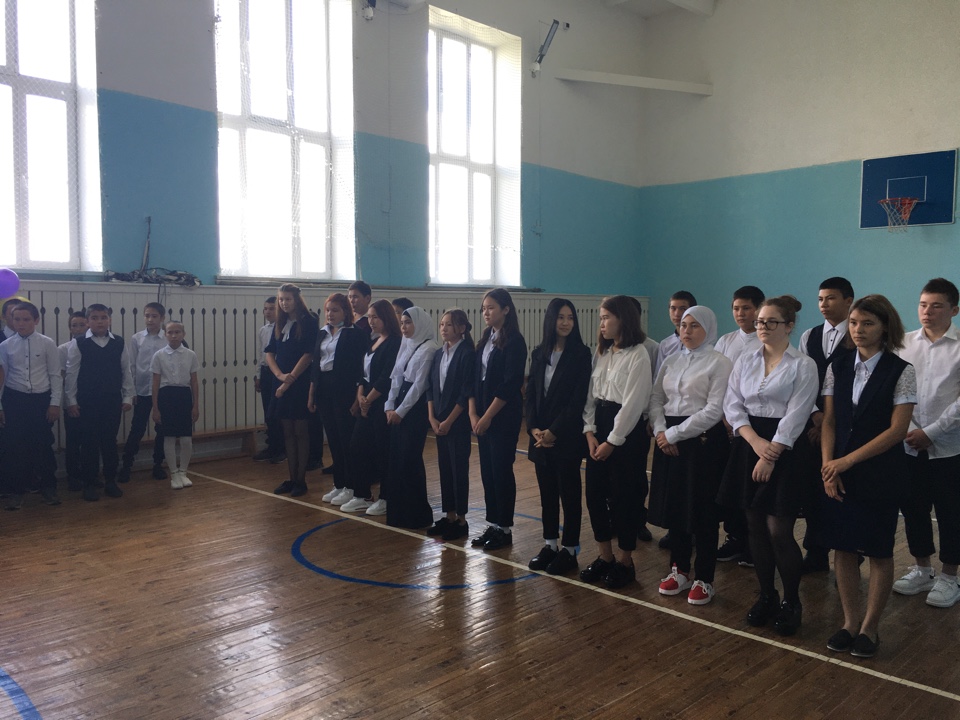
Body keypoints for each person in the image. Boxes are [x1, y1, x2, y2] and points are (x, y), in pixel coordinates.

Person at [717, 295, 818, 635]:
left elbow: (797, 414)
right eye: (760, 321)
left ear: (789, 326)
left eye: (770, 322)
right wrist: (755, 443)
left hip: (785, 449)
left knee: (779, 530)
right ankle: (767, 596)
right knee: (755, 526)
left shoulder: (803, 365)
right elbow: (733, 405)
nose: (762, 327)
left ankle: (792, 601)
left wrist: (771, 453)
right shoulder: (746, 359)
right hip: (750, 444)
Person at [821, 294, 915, 659]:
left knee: (878, 549)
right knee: (843, 548)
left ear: (885, 327)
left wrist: (847, 462)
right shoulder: (838, 365)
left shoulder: (901, 369)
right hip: (839, 471)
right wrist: (829, 466)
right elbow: (830, 420)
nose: (858, 330)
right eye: (854, 323)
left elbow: (897, 430)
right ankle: (849, 622)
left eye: (868, 324)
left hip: (880, 472)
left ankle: (869, 627)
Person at [649, 306, 732, 605]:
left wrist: (673, 435)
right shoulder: (671, 360)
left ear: (708, 328)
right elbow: (656, 398)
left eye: (695, 325)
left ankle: (704, 578)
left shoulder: (720, 363)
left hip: (703, 443)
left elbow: (714, 409)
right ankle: (679, 569)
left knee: (703, 512)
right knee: (676, 507)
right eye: (684, 325)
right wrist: (661, 431)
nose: (687, 331)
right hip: (668, 440)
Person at [893, 278, 960, 609]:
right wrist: (909, 430)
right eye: (923, 305)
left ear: (954, 310)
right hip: (908, 443)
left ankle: (950, 576)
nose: (927, 312)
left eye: (936, 306)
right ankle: (922, 569)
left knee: (951, 512)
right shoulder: (903, 344)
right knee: (913, 509)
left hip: (949, 447)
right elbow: (895, 389)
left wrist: (931, 432)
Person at [580, 295, 653, 589]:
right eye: (601, 318)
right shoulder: (603, 353)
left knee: (624, 498)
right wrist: (589, 432)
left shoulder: (639, 355)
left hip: (625, 434)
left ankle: (625, 561)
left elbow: (633, 405)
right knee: (595, 495)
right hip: (600, 427)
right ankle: (605, 556)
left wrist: (611, 441)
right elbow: (591, 397)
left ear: (623, 319)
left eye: (606, 317)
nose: (602, 323)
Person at [524, 298, 592, 575]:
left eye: (570, 317)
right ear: (551, 320)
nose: (565, 322)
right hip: (541, 437)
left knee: (569, 494)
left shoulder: (581, 354)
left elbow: (577, 400)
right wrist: (534, 428)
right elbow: (531, 394)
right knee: (547, 493)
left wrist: (554, 431)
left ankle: (570, 549)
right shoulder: (539, 353)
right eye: (561, 317)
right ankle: (550, 544)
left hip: (566, 437)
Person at [797, 277, 856, 572]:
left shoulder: (859, 334)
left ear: (848, 301)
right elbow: (801, 380)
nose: (824, 304)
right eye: (820, 299)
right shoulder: (809, 335)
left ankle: (851, 550)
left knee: (845, 488)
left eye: (831, 298)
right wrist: (815, 415)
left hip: (847, 424)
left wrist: (832, 420)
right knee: (813, 488)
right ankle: (816, 550)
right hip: (812, 422)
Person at [469, 289, 527, 551]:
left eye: (491, 307)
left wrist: (488, 416)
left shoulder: (514, 341)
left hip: (502, 417)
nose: (486, 312)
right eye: (483, 308)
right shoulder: (485, 339)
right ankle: (493, 523)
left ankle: (504, 528)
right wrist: (474, 414)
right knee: (488, 472)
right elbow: (474, 379)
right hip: (483, 415)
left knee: (501, 470)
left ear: (505, 309)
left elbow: (510, 384)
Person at [713, 285, 765, 566]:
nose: (741, 313)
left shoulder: (765, 341)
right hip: (725, 421)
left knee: (751, 487)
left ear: (759, 309)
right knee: (730, 485)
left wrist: (739, 421)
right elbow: (717, 381)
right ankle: (734, 537)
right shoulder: (726, 341)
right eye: (736, 308)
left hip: (753, 424)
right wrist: (724, 416)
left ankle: (755, 543)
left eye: (746, 308)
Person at [64, 303, 135, 501]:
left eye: (103, 317)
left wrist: (128, 396)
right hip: (87, 401)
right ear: (88, 322)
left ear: (109, 320)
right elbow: (71, 373)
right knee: (89, 443)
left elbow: (126, 370)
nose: (99, 321)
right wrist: (71, 400)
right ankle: (89, 483)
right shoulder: (79, 343)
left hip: (112, 400)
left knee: (109, 442)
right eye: (94, 318)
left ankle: (110, 481)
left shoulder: (118, 342)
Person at [0, 302, 62, 509]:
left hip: (40, 401)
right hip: (15, 400)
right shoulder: (5, 346)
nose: (21, 323)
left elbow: (55, 375)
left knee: (43, 444)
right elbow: (2, 378)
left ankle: (48, 487)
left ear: (36, 320)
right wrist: (0, 406)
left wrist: (54, 403)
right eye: (17, 319)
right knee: (15, 447)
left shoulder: (47, 343)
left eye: (26, 319)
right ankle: (16, 491)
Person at [343, 299, 401, 514]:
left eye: (375, 317)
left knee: (382, 451)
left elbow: (387, 376)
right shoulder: (373, 342)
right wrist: (360, 396)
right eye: (369, 317)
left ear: (386, 317)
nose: (371, 321)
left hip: (381, 403)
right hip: (366, 401)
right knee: (357, 447)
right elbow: (363, 374)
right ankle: (363, 494)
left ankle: (386, 497)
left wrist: (368, 399)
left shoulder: (394, 343)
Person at [309, 292, 368, 506]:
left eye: (335, 310)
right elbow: (316, 365)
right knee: (333, 438)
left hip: (344, 389)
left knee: (346, 439)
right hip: (324, 388)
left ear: (345, 312)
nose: (330, 314)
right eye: (327, 310)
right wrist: (312, 393)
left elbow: (361, 367)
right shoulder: (322, 333)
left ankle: (352, 485)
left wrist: (356, 396)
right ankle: (340, 483)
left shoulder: (355, 334)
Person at [384, 306, 437, 529]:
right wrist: (389, 405)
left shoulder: (429, 348)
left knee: (410, 458)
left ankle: (418, 514)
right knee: (397, 460)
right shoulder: (407, 343)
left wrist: (400, 411)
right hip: (399, 404)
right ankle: (399, 513)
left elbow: (420, 385)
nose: (404, 327)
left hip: (414, 408)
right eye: (402, 323)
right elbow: (396, 376)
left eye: (408, 323)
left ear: (419, 323)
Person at [426, 308, 476, 540]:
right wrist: (432, 418)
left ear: (461, 328)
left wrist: (448, 420)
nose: (444, 328)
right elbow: (430, 387)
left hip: (456, 422)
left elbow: (466, 391)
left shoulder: (467, 353)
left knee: (458, 470)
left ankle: (461, 520)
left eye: (449, 324)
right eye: (442, 324)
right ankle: (449, 515)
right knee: (445, 469)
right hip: (439, 422)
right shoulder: (439, 353)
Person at [265, 284, 318, 498]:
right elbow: (270, 352)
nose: (284, 303)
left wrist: (289, 381)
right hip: (282, 380)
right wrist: (279, 375)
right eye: (281, 299)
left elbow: (308, 354)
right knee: (287, 430)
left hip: (299, 382)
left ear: (296, 300)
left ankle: (301, 479)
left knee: (300, 431)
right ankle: (292, 477)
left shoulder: (309, 321)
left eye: (288, 299)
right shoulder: (281, 322)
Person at [119, 302, 168, 482]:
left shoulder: (167, 338)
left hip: (162, 391)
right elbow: (131, 366)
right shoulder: (137, 338)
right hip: (141, 391)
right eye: (147, 315)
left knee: (162, 429)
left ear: (162, 318)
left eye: (154, 316)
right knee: (137, 428)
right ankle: (126, 466)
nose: (150, 319)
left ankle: (158, 465)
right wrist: (131, 391)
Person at [151, 322, 200, 489]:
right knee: (169, 437)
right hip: (166, 396)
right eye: (170, 332)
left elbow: (194, 381)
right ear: (165, 334)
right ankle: (173, 473)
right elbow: (155, 383)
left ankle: (183, 472)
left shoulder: (190, 355)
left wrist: (195, 405)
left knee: (186, 438)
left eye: (177, 332)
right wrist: (155, 407)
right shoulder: (159, 355)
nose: (174, 335)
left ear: (183, 334)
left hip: (184, 396)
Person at [253, 297, 285, 464]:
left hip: (278, 372)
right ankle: (271, 446)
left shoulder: (283, 328)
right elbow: (261, 354)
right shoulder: (263, 330)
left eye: (272, 308)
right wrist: (258, 375)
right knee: (268, 411)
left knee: (278, 411)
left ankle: (282, 448)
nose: (268, 312)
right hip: (266, 372)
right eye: (265, 309)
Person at [58, 311, 88, 491]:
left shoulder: (94, 346)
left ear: (88, 326)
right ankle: (73, 476)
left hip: (90, 400)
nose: (78, 329)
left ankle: (89, 474)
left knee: (90, 440)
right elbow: (62, 375)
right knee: (73, 441)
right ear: (69, 329)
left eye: (81, 325)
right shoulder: (63, 349)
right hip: (72, 401)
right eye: (74, 325)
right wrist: (71, 400)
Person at [654, 291, 697, 377]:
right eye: (673, 308)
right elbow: (658, 376)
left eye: (683, 309)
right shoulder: (665, 344)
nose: (677, 314)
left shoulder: (699, 342)